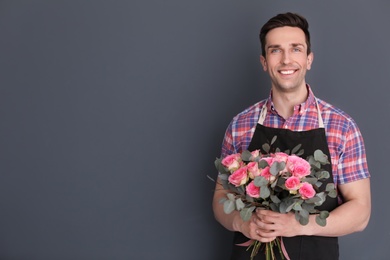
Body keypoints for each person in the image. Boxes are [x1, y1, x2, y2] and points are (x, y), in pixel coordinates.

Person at [212, 12, 371, 260]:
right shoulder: (241, 124)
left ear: (309, 59)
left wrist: (298, 224)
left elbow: (361, 212)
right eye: (275, 50)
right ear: (264, 62)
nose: (286, 59)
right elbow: (221, 198)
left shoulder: (342, 127)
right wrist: (242, 224)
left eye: (295, 49)